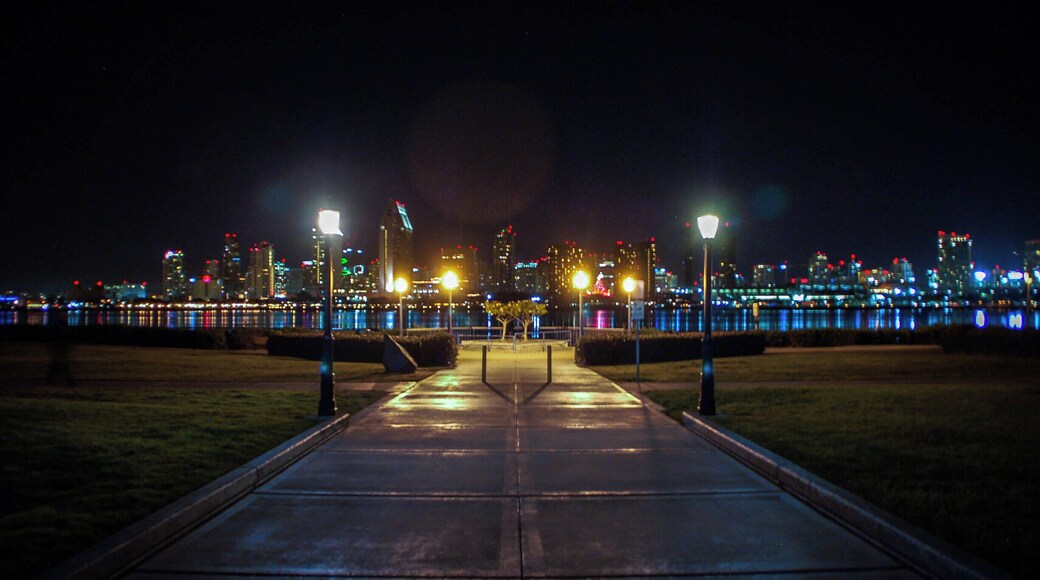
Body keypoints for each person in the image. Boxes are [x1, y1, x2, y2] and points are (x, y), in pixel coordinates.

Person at [46, 310, 75, 386]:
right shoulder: (63, 326)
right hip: (60, 346)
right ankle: (68, 380)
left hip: (59, 346)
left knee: (57, 363)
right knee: (62, 363)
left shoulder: (58, 326)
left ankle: (51, 379)